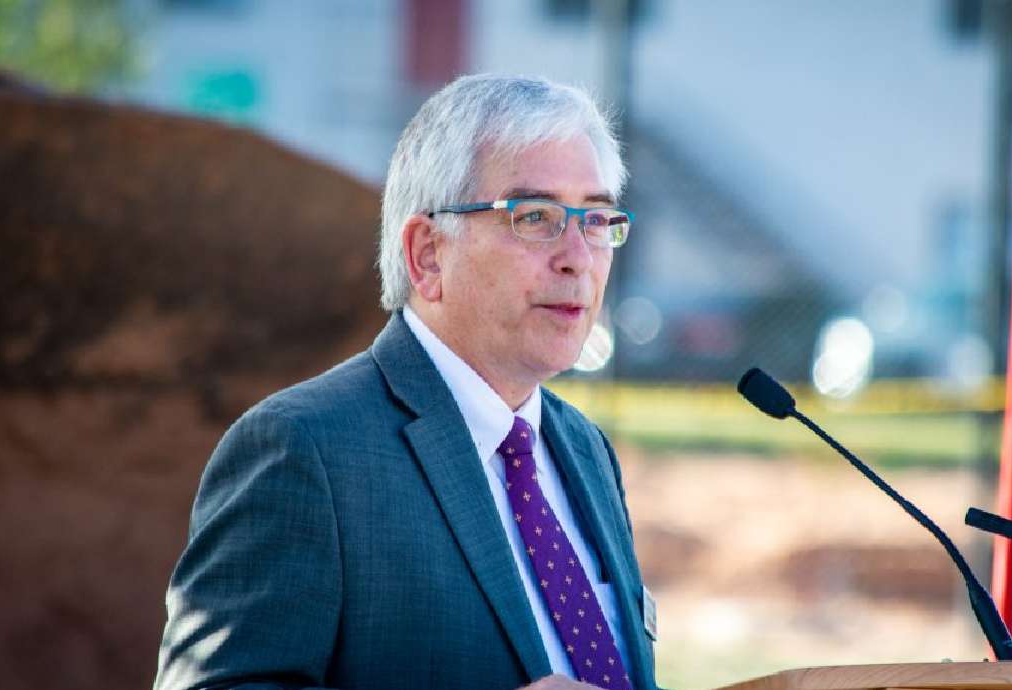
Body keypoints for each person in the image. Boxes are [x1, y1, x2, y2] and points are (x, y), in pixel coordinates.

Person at [154, 74, 657, 690]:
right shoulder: (303, 449)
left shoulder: (584, 450)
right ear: (427, 255)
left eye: (597, 219)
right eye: (535, 216)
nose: (577, 255)